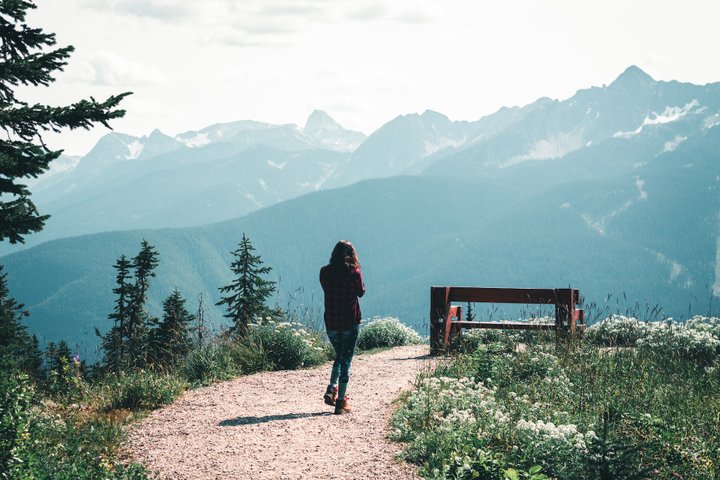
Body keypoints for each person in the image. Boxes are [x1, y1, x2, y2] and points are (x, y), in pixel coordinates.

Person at [319, 240, 365, 414]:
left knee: (339, 355)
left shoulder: (324, 272)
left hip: (331, 321)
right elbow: (360, 292)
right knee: (346, 360)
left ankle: (332, 388)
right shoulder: (354, 273)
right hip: (349, 321)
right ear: (351, 254)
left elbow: (326, 288)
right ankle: (341, 401)